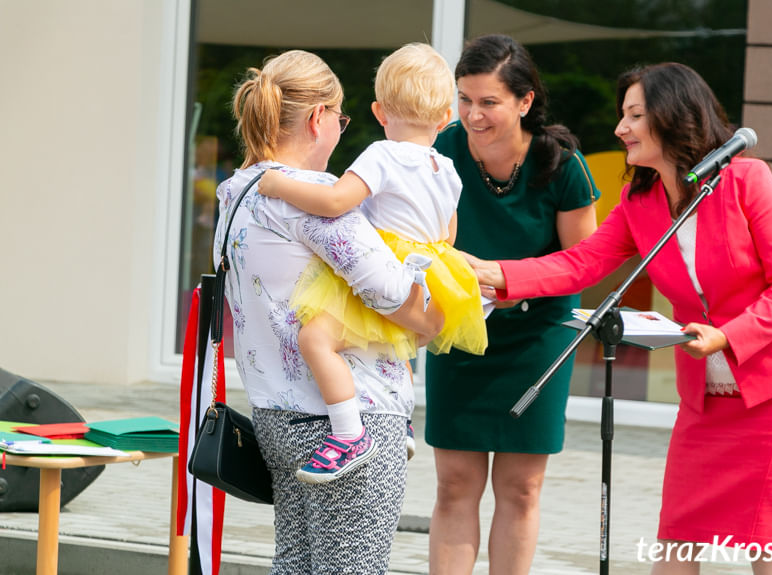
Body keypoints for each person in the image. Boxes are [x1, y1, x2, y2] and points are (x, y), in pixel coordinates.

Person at [467, 62, 772, 574]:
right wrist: (497, 273)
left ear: (674, 117)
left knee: (767, 546)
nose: (620, 129)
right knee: (677, 539)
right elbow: (582, 262)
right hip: (705, 400)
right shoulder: (640, 202)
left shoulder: (748, 180)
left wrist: (728, 337)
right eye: (623, 115)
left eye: (635, 115)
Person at [214, 49, 443, 574]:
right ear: (319, 118)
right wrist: (435, 319)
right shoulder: (314, 194)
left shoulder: (237, 191)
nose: (341, 131)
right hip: (351, 422)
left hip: (275, 413)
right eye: (340, 119)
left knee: (294, 565)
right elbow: (392, 293)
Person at [257, 42, 487, 484]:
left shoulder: (382, 155)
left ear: (380, 112)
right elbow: (448, 234)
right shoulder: (449, 169)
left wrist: (278, 185)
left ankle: (348, 435)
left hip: (385, 264)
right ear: (445, 119)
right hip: (432, 272)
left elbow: (334, 202)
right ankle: (401, 418)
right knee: (396, 343)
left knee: (315, 340)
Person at [423, 34, 600, 574]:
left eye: (488, 102)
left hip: (539, 337)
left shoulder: (563, 164)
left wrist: (507, 281)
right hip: (459, 329)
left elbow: (583, 262)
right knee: (455, 483)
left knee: (521, 488)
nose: (472, 115)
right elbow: (415, 240)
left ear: (524, 102)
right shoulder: (441, 150)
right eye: (464, 99)